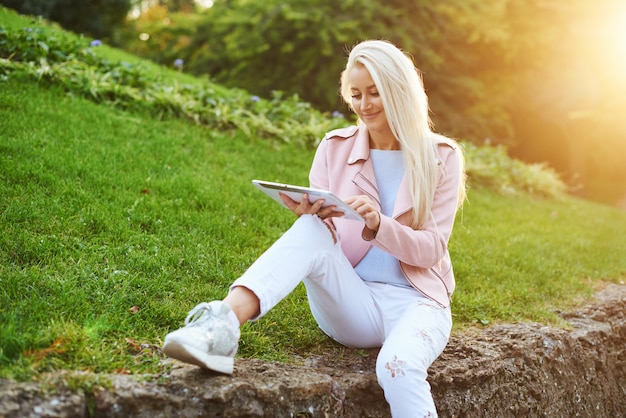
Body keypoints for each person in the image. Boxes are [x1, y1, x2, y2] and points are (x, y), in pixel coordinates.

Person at [162, 39, 466, 417]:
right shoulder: (334, 148)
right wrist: (316, 216)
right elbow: (326, 243)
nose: (364, 104)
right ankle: (219, 327)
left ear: (399, 90)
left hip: (418, 303)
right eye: (355, 94)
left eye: (375, 92)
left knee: (398, 367)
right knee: (311, 230)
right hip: (353, 300)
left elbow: (431, 249)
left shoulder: (441, 157)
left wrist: (378, 223)